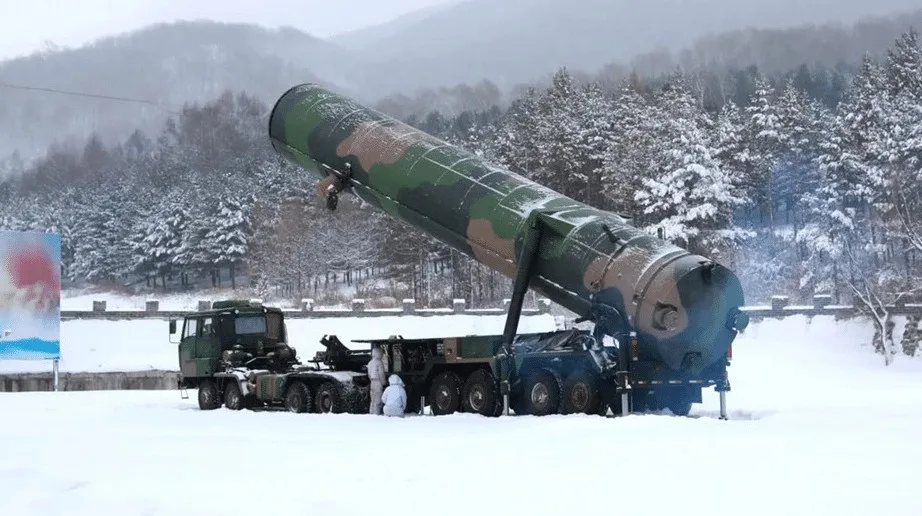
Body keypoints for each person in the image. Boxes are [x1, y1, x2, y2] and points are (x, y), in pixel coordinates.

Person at [367, 347, 386, 415]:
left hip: (372, 382)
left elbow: (369, 374)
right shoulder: (379, 362)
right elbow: (381, 374)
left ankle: (371, 413)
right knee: (378, 400)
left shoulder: (370, 363)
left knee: (372, 400)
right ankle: (376, 415)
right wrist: (383, 382)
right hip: (378, 382)